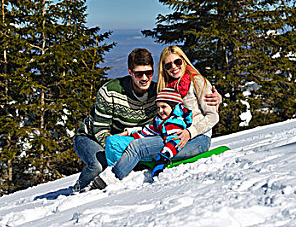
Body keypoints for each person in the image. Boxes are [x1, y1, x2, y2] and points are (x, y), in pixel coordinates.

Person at [73, 47, 220, 192]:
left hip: (189, 136)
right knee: (100, 165)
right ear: (130, 72)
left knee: (132, 153)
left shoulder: (179, 87)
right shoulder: (112, 91)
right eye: (139, 74)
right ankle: (76, 192)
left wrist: (216, 99)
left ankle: (109, 179)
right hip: (91, 136)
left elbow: (209, 113)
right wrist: (120, 145)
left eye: (148, 73)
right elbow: (100, 128)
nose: (144, 78)